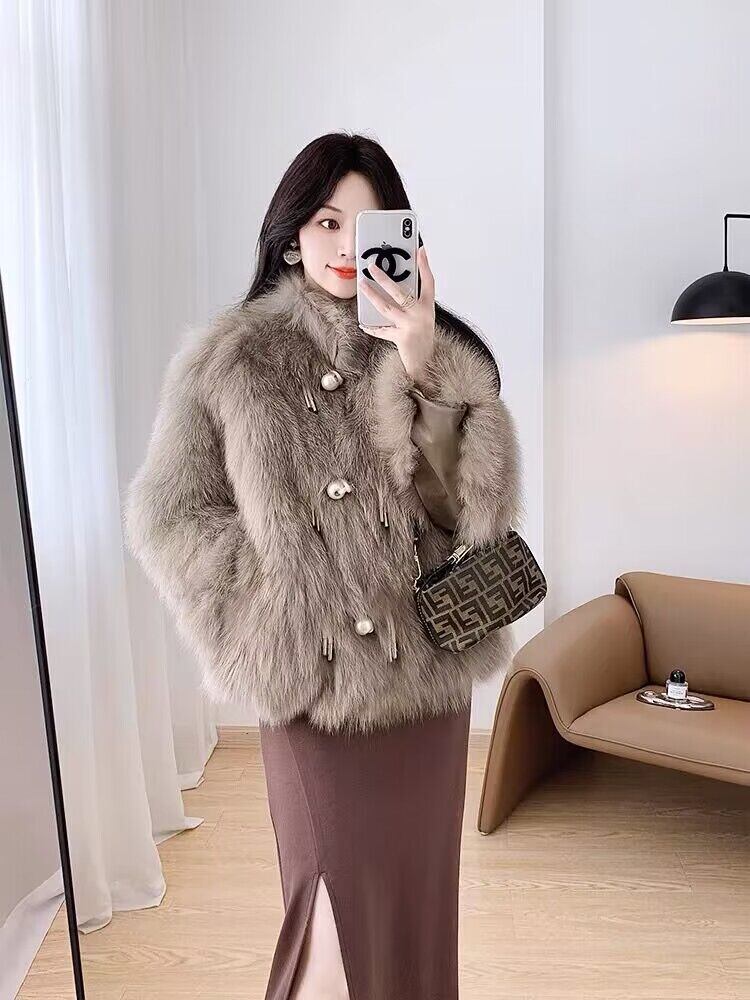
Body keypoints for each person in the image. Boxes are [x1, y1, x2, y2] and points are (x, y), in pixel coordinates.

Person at [123, 132, 525, 1000]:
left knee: (417, 911)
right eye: (326, 221)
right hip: (316, 689)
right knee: (327, 922)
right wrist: (272, 614)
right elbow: (170, 516)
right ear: (290, 234)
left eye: (366, 224)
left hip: (426, 682)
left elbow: (469, 515)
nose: (345, 246)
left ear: (400, 234)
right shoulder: (231, 359)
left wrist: (421, 364)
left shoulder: (437, 350)